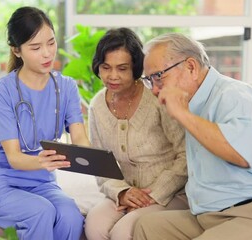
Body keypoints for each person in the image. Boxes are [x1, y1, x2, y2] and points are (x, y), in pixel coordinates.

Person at [133, 32, 252, 240]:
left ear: (191, 67)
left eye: (158, 76)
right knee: (148, 227)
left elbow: (242, 154)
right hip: (215, 217)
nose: (155, 90)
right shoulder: (195, 104)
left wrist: (182, 114)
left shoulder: (233, 95)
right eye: (149, 81)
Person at [0, 6, 89, 240]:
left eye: (51, 43)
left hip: (40, 181)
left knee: (71, 217)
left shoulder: (67, 87)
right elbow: (14, 157)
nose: (47, 53)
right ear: (17, 50)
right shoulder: (2, 90)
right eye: (36, 47)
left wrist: (90, 156)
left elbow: (80, 138)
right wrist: (44, 160)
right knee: (40, 212)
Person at [84, 28, 188, 240]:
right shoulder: (97, 105)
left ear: (136, 68)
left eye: (122, 68)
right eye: (106, 67)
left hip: (170, 193)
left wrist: (153, 195)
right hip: (128, 192)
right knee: (94, 226)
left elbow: (186, 155)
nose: (113, 76)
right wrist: (122, 192)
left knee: (125, 231)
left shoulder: (157, 98)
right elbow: (100, 165)